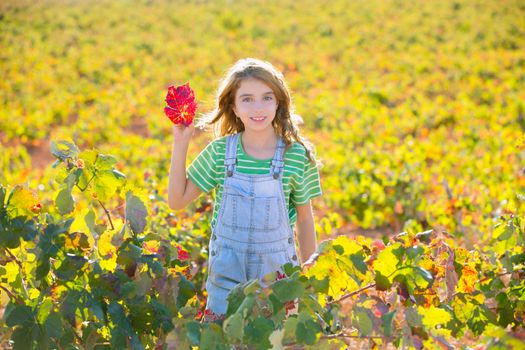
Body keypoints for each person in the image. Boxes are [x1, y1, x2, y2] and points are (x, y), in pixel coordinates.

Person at [167, 58, 322, 321]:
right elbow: (177, 200)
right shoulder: (220, 152)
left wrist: (309, 276)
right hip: (227, 279)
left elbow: (305, 220)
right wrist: (180, 143)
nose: (257, 107)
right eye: (247, 99)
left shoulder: (296, 156)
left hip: (278, 277)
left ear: (278, 103)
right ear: (234, 107)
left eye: (266, 97)